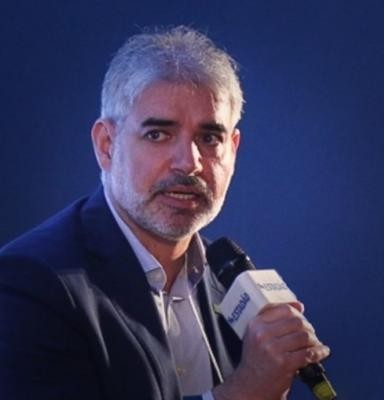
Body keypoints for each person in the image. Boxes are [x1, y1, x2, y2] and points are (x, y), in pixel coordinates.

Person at [0, 26, 330, 400]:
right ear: (107, 145)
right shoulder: (31, 282)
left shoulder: (233, 286)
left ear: (233, 150)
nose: (189, 162)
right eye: (158, 134)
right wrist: (243, 393)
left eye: (209, 138)